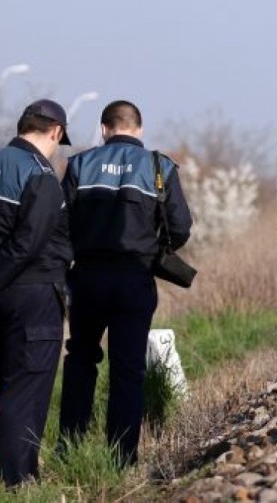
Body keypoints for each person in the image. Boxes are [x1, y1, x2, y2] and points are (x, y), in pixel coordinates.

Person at [58, 100, 192, 465]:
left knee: (81, 358)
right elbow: (180, 228)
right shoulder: (159, 166)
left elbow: (61, 225)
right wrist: (155, 248)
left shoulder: (80, 164)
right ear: (139, 129)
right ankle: (122, 457)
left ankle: (69, 447)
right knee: (129, 368)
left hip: (86, 278)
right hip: (135, 278)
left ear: (104, 129)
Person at [0, 100, 72, 487]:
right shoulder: (40, 174)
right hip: (32, 294)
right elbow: (29, 242)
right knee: (26, 389)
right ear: (55, 132)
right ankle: (19, 481)